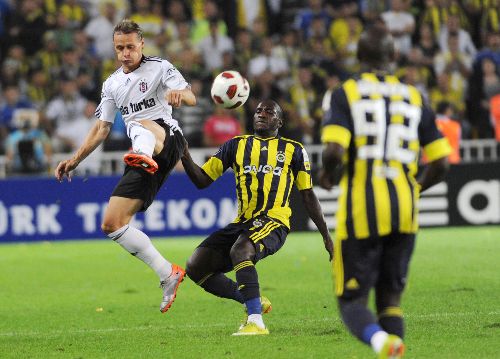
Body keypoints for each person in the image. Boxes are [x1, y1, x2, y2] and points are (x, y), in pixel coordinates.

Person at [319, 25, 450, 358]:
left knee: (351, 301)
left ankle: (381, 343)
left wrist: (327, 176)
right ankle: (392, 344)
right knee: (390, 301)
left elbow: (334, 151)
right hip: (405, 209)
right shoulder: (415, 95)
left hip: (362, 208)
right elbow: (442, 162)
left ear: (359, 56)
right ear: (393, 56)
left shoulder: (345, 92)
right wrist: (414, 188)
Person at [54, 19, 196, 313]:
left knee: (140, 122)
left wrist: (180, 95)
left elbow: (191, 96)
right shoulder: (112, 84)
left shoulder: (160, 67)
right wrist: (73, 160)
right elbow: (101, 129)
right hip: (143, 154)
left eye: (131, 47)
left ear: (141, 45)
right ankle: (167, 273)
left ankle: (141, 154)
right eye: (120, 48)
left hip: (168, 140)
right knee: (112, 223)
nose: (125, 53)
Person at [181, 99, 333, 336]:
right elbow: (202, 180)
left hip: (275, 220)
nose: (262, 114)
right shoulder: (235, 145)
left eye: (269, 112)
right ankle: (251, 298)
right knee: (196, 266)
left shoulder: (293, 149)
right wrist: (185, 155)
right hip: (243, 222)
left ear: (279, 121)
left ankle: (256, 322)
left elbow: (308, 195)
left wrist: (326, 236)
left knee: (241, 250)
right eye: (259, 110)